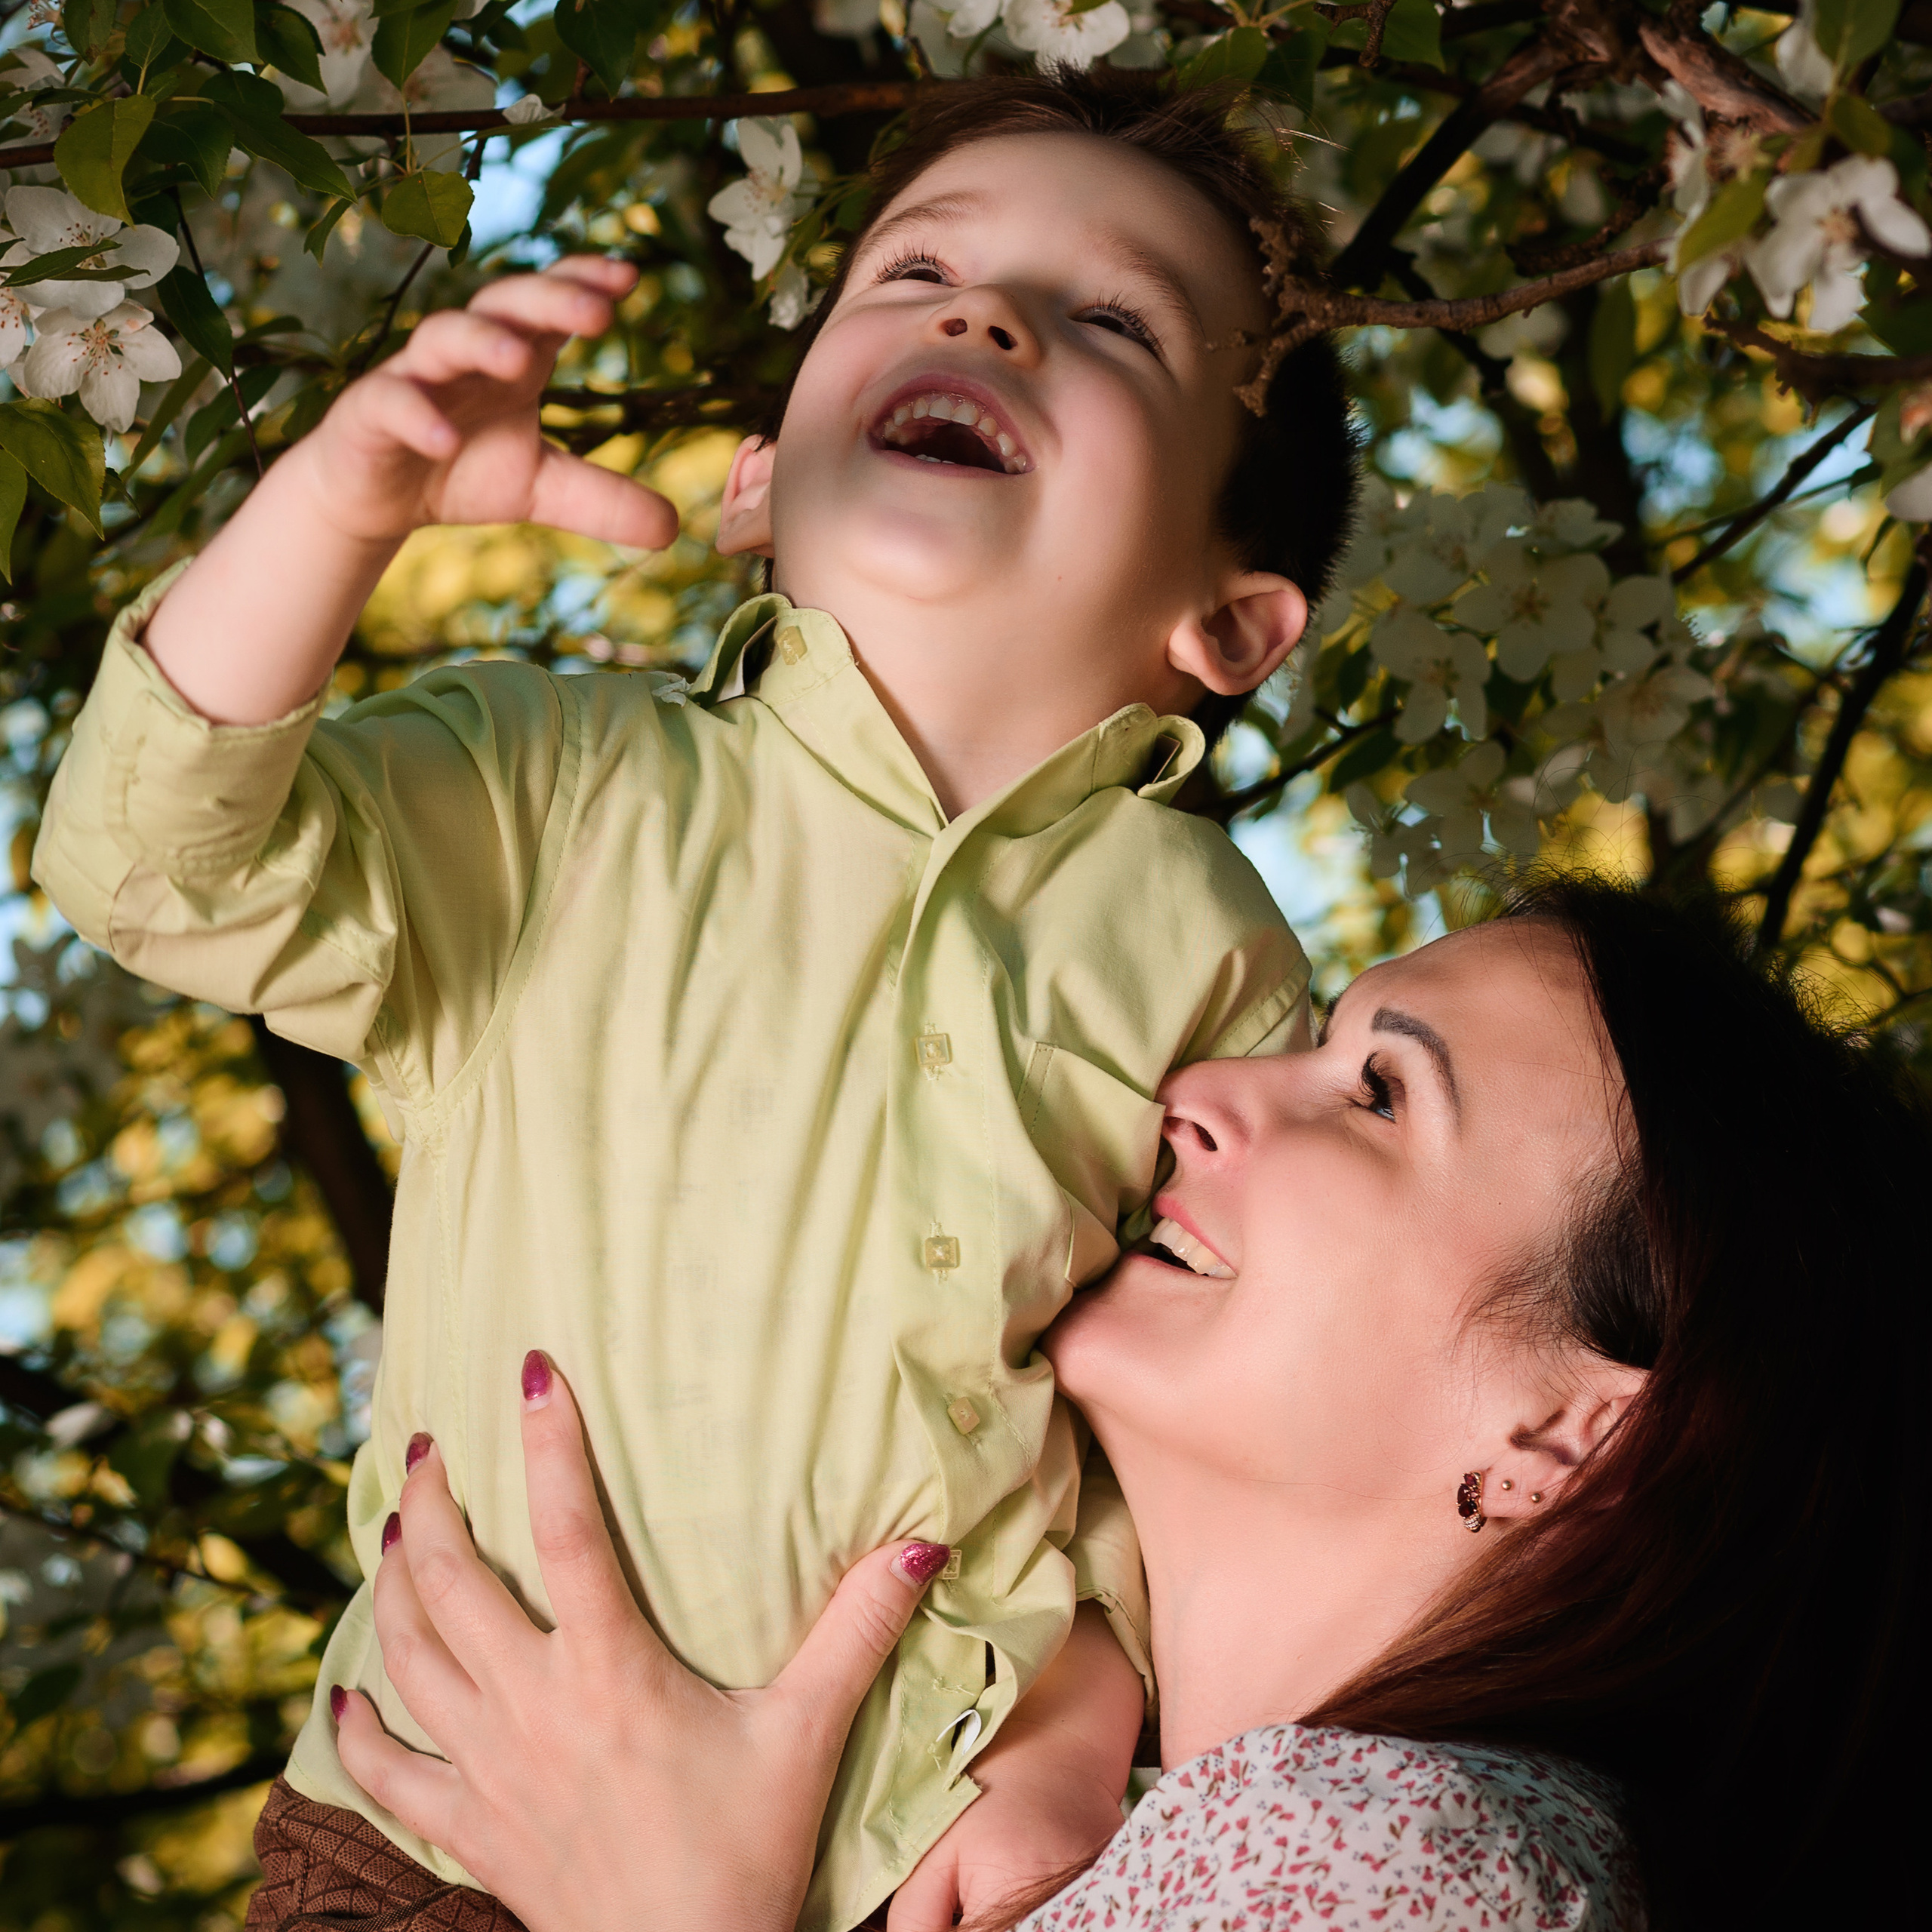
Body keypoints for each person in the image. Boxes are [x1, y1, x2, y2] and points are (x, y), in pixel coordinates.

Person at [30, 69, 1362, 1932]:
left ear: (1225, 622)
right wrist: (336, 508)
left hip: (919, 1854)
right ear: (758, 481)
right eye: (914, 274)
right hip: (432, 1837)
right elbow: (149, 863)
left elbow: (1193, 1400)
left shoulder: (1212, 945)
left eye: (1114, 319)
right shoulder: (563, 779)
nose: (983, 318)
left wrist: (1086, 1700)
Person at [315, 881, 1923, 1930]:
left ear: (1561, 1436)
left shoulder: (1409, 1867)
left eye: (1374, 1093)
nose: (1202, 1092)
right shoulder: (1177, 1829)